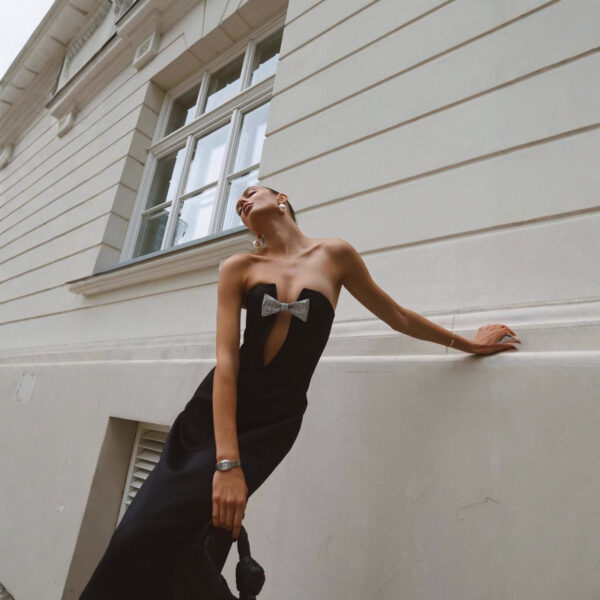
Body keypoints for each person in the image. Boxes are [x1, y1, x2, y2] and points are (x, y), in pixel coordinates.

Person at [79, 186, 520, 599]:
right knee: (140, 532)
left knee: (204, 537)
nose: (243, 201)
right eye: (238, 204)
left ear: (283, 200)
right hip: (213, 418)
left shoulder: (335, 255)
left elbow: (398, 318)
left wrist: (470, 343)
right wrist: (227, 463)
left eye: (252, 192)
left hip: (274, 422)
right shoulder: (239, 267)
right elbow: (227, 360)